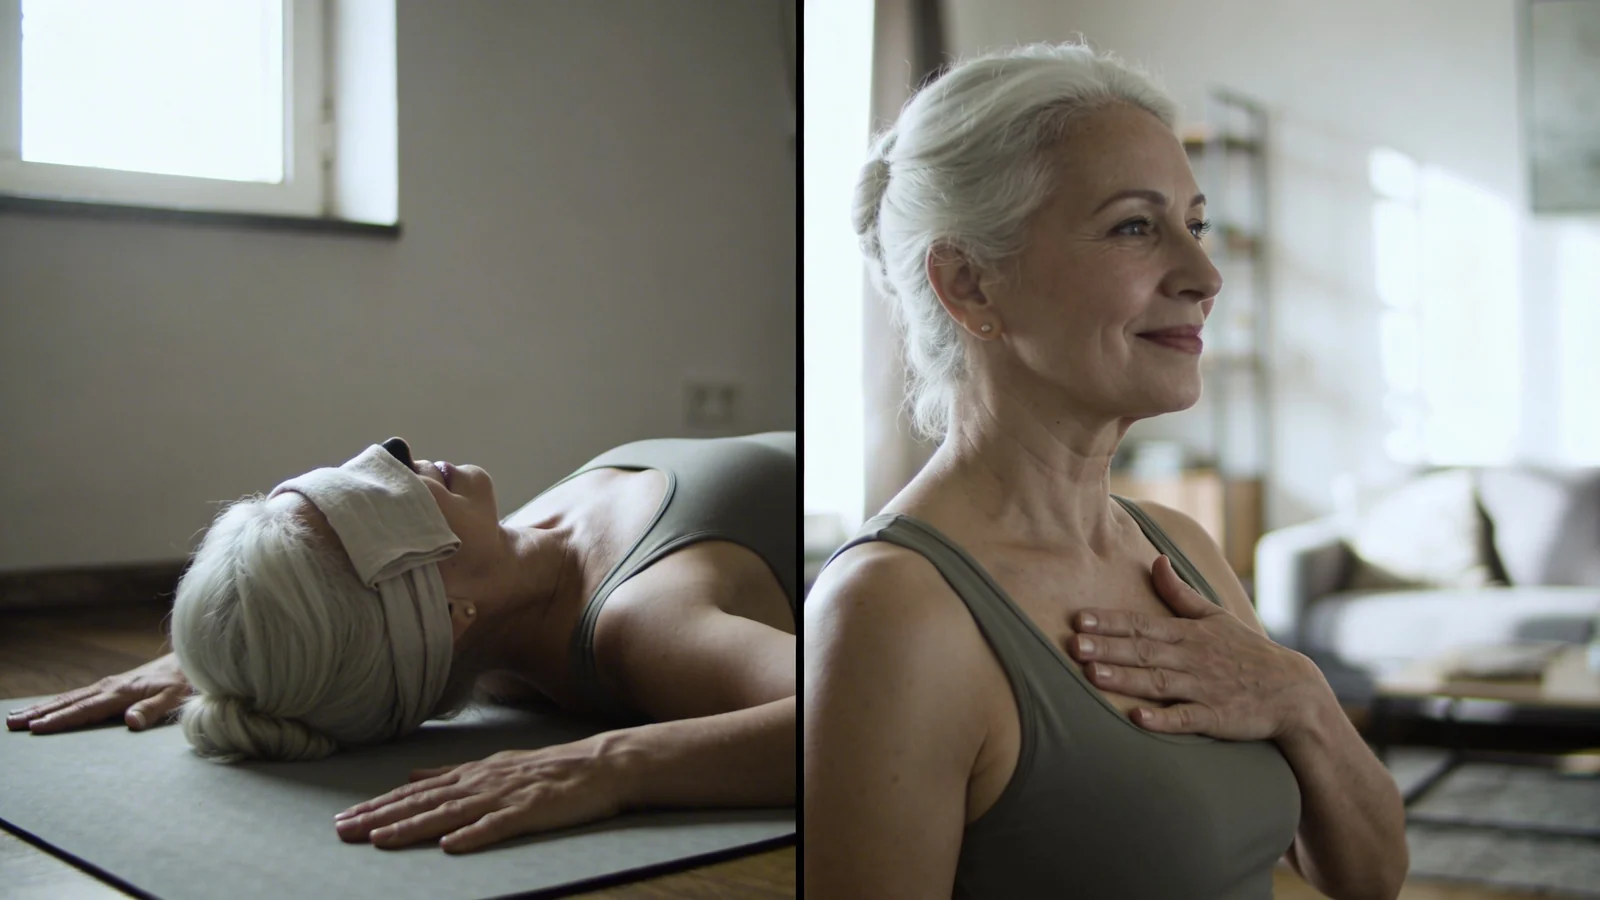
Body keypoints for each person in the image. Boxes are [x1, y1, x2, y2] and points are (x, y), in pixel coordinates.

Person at [804, 43, 1407, 899]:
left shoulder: (1182, 548)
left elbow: (1370, 876)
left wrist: (1300, 695)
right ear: (970, 283)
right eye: (1135, 226)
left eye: (1194, 226)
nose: (1205, 275)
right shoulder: (894, 610)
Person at [8, 432, 795, 854]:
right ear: (451, 615)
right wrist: (615, 764)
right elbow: (851, 708)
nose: (390, 451)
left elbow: (361, 615)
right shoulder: (645, 624)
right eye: (373, 505)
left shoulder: (501, 558)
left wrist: (229, 647)